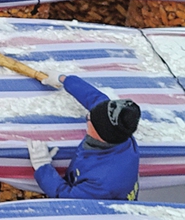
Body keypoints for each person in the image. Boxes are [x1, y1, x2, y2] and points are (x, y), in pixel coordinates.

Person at [27, 73, 142, 201]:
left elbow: (67, 197)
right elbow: (94, 98)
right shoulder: (117, 130)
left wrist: (43, 167)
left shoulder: (103, 182)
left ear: (100, 134)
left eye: (89, 119)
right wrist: (64, 79)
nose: (87, 117)